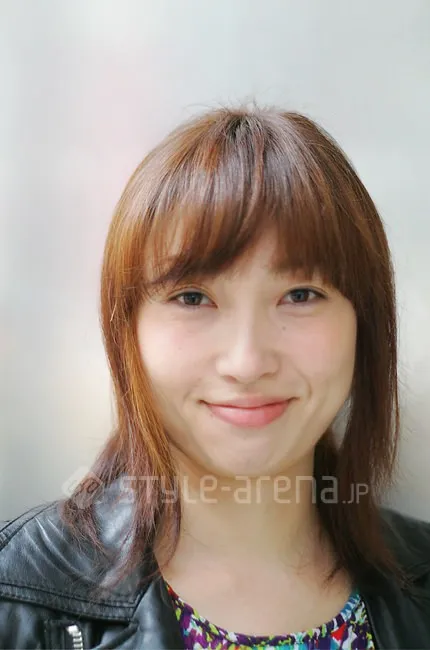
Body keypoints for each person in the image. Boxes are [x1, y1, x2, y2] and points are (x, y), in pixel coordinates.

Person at [1, 104, 430, 650]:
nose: (247, 362)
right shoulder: (19, 600)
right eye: (192, 298)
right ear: (127, 332)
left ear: (364, 325)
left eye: (300, 295)